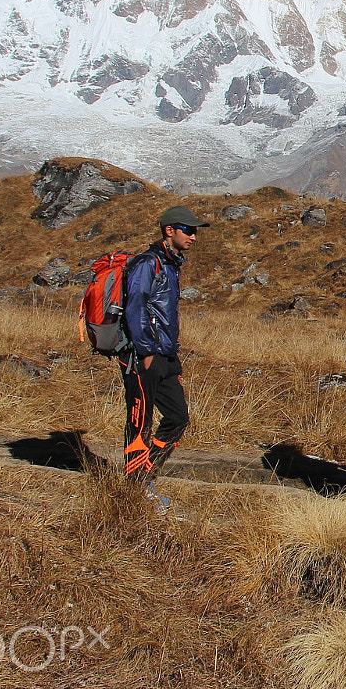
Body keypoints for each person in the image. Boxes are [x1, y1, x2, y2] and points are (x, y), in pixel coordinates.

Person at [121, 204, 208, 509]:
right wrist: (145, 350)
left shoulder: (170, 264)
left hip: (166, 356)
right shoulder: (148, 263)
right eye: (189, 230)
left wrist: (171, 355)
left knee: (177, 418)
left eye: (195, 231)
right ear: (169, 230)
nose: (194, 236)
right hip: (143, 357)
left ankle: (144, 477)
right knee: (140, 424)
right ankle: (132, 494)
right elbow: (135, 306)